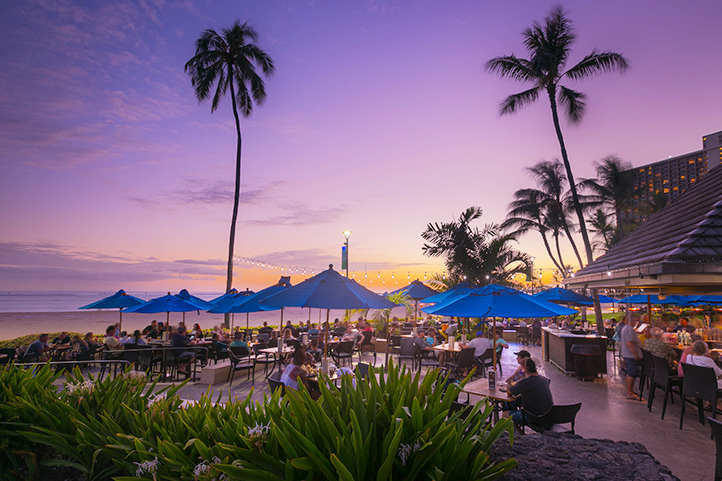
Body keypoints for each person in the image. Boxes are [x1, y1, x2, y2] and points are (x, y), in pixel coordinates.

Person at [507, 358, 553, 432]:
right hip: (548, 415)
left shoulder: (525, 382)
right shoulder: (544, 379)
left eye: (522, 367)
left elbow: (509, 392)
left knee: (505, 415)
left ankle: (520, 435)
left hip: (534, 417)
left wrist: (508, 384)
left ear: (526, 368)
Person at [620, 316, 643, 399]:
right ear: (632, 321)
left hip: (627, 355)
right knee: (631, 373)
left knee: (629, 372)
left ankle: (630, 391)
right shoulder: (629, 330)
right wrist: (635, 354)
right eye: (635, 321)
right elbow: (629, 343)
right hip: (630, 355)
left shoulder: (626, 328)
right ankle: (630, 392)